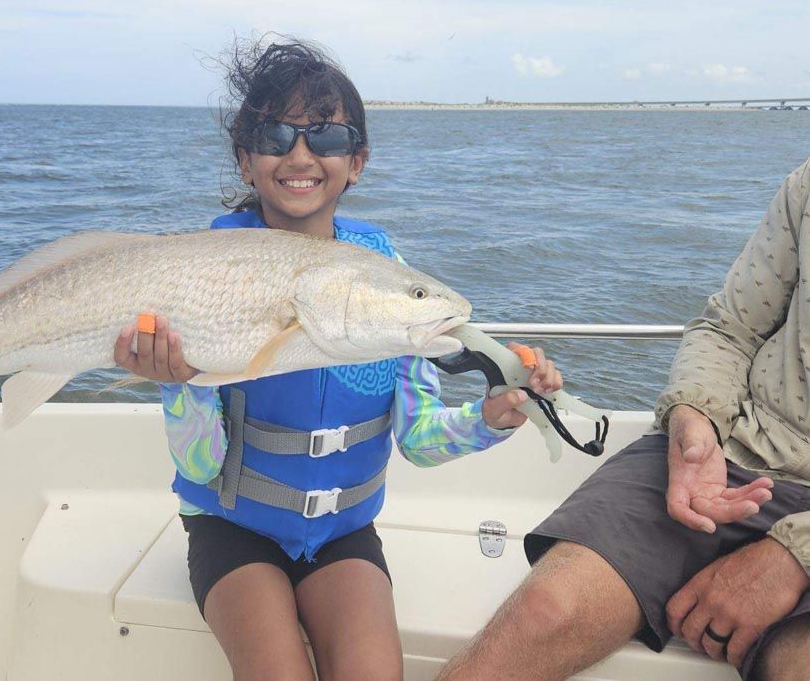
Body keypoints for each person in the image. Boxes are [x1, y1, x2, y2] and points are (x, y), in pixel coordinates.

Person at [111, 38, 564, 681]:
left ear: (356, 161)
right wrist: (178, 385)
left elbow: (420, 439)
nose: (301, 155)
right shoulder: (206, 274)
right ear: (246, 160)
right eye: (275, 134)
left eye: (326, 137)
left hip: (343, 532)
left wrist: (493, 418)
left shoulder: (392, 285)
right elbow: (201, 463)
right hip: (231, 524)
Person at [438, 160, 810, 681]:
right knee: (546, 612)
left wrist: (795, 553)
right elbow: (729, 328)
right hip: (743, 446)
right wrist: (694, 418)